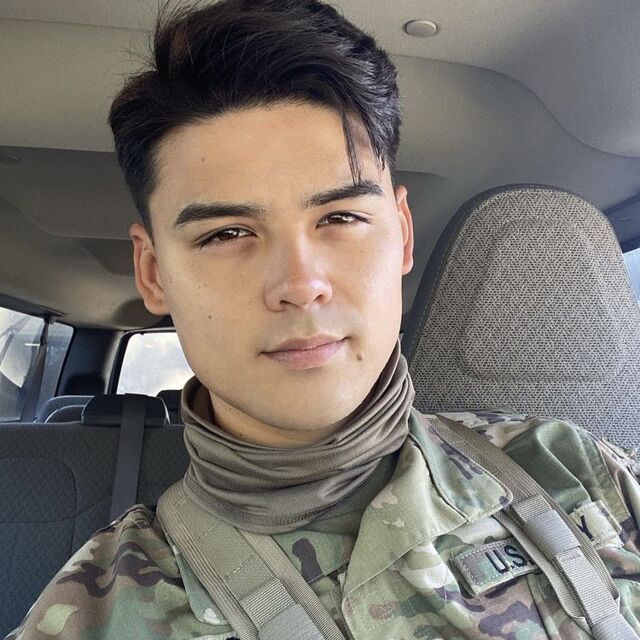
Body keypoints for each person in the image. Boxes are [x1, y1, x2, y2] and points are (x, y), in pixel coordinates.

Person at [7, 1, 640, 639]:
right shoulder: (95, 612)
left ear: (402, 234)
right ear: (152, 273)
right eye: (227, 232)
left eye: (340, 218)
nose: (300, 285)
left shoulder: (579, 474)